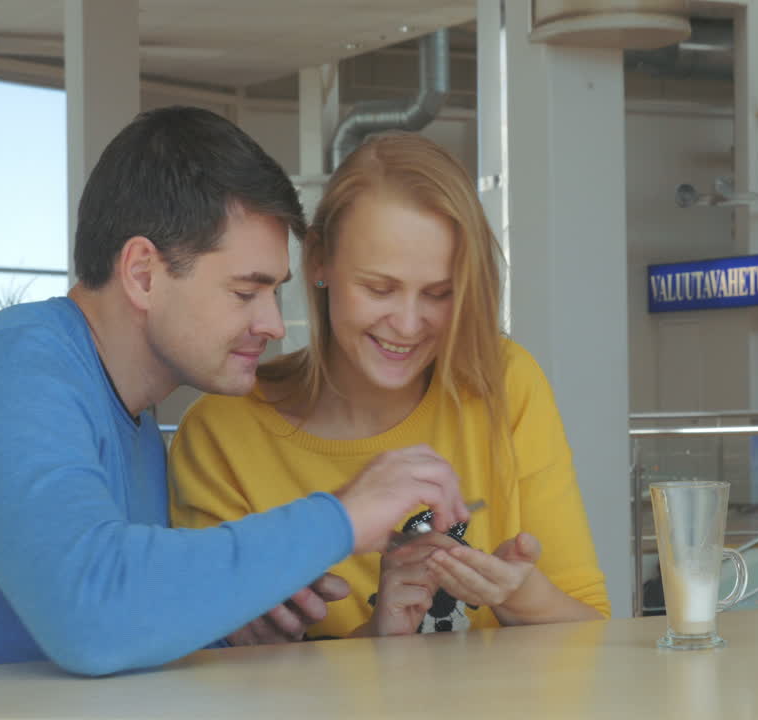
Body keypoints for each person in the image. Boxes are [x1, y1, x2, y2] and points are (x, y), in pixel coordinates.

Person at [0, 107, 469, 674]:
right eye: (244, 292)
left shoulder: (131, 418)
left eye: (275, 291)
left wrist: (227, 623)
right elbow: (90, 615)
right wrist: (344, 518)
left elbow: (117, 624)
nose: (274, 325)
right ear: (142, 273)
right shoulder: (10, 371)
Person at [169, 132, 610, 638]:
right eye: (379, 288)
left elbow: (594, 631)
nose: (407, 324)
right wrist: (375, 636)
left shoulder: (504, 382)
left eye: (440, 294)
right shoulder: (222, 435)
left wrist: (517, 595)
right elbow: (219, 682)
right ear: (317, 261)